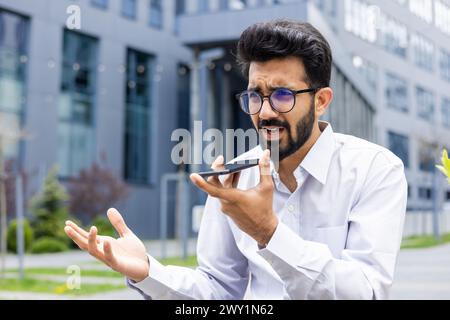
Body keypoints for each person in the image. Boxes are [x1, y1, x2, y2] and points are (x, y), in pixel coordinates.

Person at [64, 19, 407, 300]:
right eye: (256, 96)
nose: (265, 112)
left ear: (321, 101)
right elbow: (218, 291)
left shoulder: (375, 170)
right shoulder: (235, 179)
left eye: (283, 95)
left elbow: (366, 292)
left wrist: (268, 232)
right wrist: (148, 271)